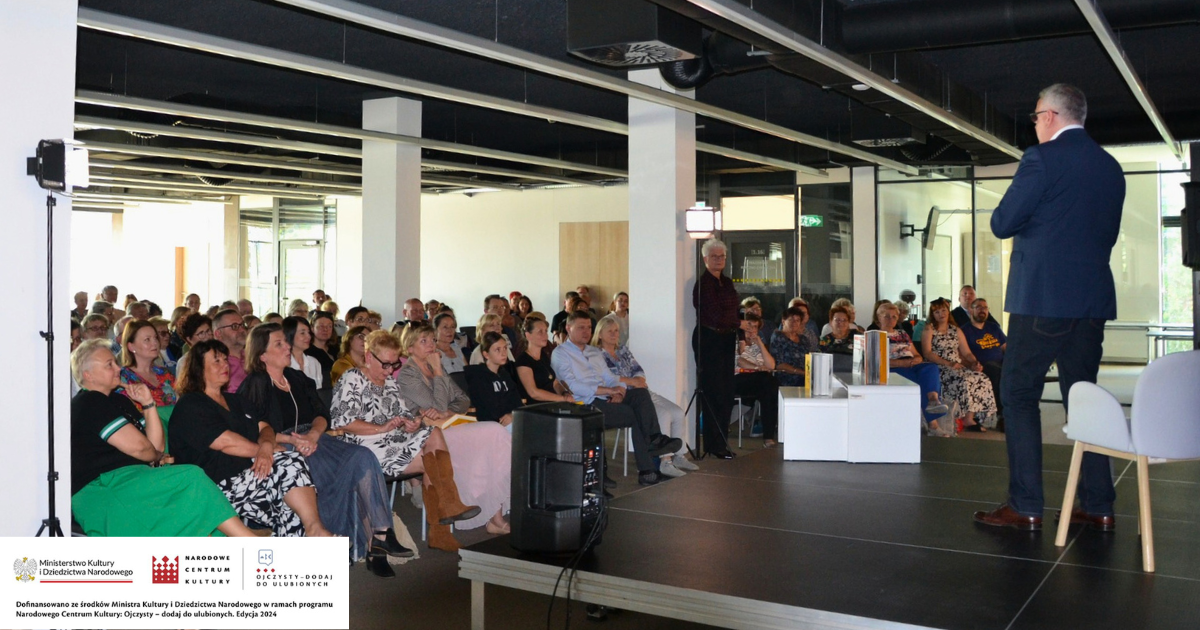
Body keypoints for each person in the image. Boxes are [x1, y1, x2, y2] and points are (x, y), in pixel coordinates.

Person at [975, 84, 1122, 531]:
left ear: (1052, 116)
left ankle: (1025, 506)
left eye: (1037, 116)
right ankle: (1098, 504)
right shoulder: (1110, 166)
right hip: (1091, 302)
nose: (1035, 124)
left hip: (1042, 299)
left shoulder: (1041, 159)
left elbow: (1003, 222)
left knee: (1019, 394)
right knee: (1084, 398)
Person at [238, 323, 411, 575]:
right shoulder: (256, 383)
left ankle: (381, 535)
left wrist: (313, 434)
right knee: (326, 470)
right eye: (279, 344)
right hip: (283, 445)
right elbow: (254, 427)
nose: (287, 347)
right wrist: (295, 440)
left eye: (285, 341)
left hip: (315, 438)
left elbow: (322, 414)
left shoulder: (297, 378)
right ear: (262, 354)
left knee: (362, 456)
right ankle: (338, 542)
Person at [331, 331, 509, 548]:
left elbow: (403, 414)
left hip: (395, 440)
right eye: (385, 364)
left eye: (394, 365)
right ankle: (441, 526)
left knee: (433, 434)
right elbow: (342, 422)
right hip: (365, 447)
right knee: (432, 461)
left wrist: (411, 422)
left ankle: (448, 506)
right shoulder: (351, 379)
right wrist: (381, 428)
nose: (390, 371)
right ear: (369, 357)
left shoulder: (389, 382)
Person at [69, 339, 254, 537]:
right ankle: (248, 541)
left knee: (197, 506)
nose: (118, 368)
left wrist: (148, 403)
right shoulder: (89, 401)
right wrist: (156, 456)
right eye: (109, 365)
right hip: (103, 487)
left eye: (115, 362)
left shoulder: (119, 400)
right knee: (191, 478)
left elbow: (155, 446)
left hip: (134, 481)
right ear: (88, 375)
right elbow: (141, 449)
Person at [169, 339, 333, 538]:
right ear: (198, 369)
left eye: (225, 359)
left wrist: (266, 446)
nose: (224, 365)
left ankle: (302, 544)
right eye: (216, 361)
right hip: (215, 485)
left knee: (291, 501)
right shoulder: (191, 404)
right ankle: (315, 530)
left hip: (252, 474)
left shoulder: (236, 400)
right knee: (289, 463)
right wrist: (264, 451)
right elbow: (227, 443)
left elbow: (266, 428)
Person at [554, 311, 682, 485]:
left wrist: (619, 391)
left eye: (589, 327)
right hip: (585, 402)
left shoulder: (594, 352)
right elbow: (573, 386)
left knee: (640, 394)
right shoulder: (561, 353)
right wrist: (607, 390)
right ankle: (647, 468)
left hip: (606, 396)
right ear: (568, 328)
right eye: (581, 327)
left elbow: (610, 377)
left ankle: (654, 439)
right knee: (636, 414)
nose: (586, 331)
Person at [592, 315, 696, 476]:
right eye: (609, 331)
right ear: (599, 334)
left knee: (678, 412)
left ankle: (679, 456)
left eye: (616, 331)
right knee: (664, 415)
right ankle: (665, 461)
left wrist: (638, 380)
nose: (614, 334)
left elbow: (638, 370)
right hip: (625, 394)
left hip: (641, 390)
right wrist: (632, 382)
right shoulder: (597, 355)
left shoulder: (623, 350)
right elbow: (608, 379)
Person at [692, 238, 751, 459]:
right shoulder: (703, 284)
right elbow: (715, 315)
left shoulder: (727, 282)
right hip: (709, 339)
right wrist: (739, 324)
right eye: (714, 256)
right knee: (713, 393)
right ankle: (713, 445)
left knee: (727, 393)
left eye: (722, 256)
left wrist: (741, 336)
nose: (718, 260)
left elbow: (735, 311)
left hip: (726, 339)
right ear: (705, 259)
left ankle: (722, 442)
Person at [875, 301, 952, 435]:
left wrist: (915, 360)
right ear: (879, 317)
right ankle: (933, 425)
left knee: (931, 368)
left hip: (910, 364)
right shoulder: (875, 335)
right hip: (892, 368)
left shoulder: (902, 334)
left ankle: (933, 400)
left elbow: (917, 355)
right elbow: (876, 361)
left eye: (894, 316)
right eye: (886, 316)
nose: (890, 319)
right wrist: (902, 363)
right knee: (919, 382)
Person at [920, 298, 995, 432]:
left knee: (981, 378)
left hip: (956, 365)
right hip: (938, 366)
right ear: (933, 314)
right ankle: (960, 417)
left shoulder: (956, 330)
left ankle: (970, 417)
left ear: (948, 312)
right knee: (963, 380)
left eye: (944, 310)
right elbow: (927, 353)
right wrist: (948, 363)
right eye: (937, 312)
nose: (941, 314)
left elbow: (966, 352)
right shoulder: (929, 329)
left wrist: (974, 362)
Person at [399, 323, 472, 418]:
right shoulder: (407, 375)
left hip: (447, 421)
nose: (431, 345)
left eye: (433, 340)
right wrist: (437, 371)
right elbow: (439, 408)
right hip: (425, 426)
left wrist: (447, 412)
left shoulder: (434, 366)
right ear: (410, 348)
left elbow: (464, 400)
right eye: (424, 341)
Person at [119, 320, 179, 426]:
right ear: (131, 347)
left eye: (155, 338)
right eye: (147, 340)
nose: (155, 343)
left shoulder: (165, 373)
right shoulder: (123, 378)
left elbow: (180, 403)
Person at [734, 313, 781, 447]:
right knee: (769, 383)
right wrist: (757, 368)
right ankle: (768, 437)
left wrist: (760, 343)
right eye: (749, 325)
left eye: (755, 327)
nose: (751, 329)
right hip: (739, 378)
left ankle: (768, 436)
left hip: (759, 381)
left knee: (769, 389)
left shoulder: (757, 345)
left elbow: (771, 366)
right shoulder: (736, 342)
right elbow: (739, 361)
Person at [961, 298, 1007, 430]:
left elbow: (1006, 347)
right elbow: (962, 354)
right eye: (979, 307)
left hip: (1000, 363)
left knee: (1012, 372)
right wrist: (972, 364)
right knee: (998, 372)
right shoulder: (965, 330)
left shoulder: (994, 327)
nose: (983, 310)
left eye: (985, 308)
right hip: (983, 365)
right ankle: (1002, 416)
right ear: (971, 310)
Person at [464, 332, 523, 429]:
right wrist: (512, 415)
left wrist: (513, 415)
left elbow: (517, 401)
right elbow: (489, 410)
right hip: (492, 424)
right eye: (497, 350)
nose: (504, 353)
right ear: (486, 354)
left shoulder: (504, 374)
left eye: (505, 348)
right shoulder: (478, 377)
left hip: (510, 420)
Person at [515, 317, 573, 403]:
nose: (545, 335)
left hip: (552, 404)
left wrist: (564, 393)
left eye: (546, 331)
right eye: (540, 332)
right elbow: (533, 393)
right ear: (528, 335)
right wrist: (563, 399)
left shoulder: (543, 356)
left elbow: (554, 383)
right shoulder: (523, 361)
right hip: (536, 407)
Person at [769, 306, 812, 387]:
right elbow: (779, 365)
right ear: (783, 321)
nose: (794, 323)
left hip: (805, 376)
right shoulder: (778, 337)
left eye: (797, 320)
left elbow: (809, 360)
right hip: (786, 377)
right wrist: (801, 372)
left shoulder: (804, 339)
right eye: (791, 320)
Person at [211, 309, 249, 392]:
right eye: (234, 326)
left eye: (242, 325)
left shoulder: (253, 357)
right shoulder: (214, 364)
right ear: (218, 334)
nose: (242, 330)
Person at [282, 316, 324, 389]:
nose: (308, 336)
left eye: (308, 332)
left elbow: (318, 391)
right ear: (290, 334)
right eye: (302, 333)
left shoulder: (314, 363)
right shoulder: (283, 364)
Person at [307, 311, 339, 382]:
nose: (325, 329)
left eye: (329, 326)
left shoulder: (335, 348)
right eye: (321, 326)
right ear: (312, 328)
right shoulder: (308, 352)